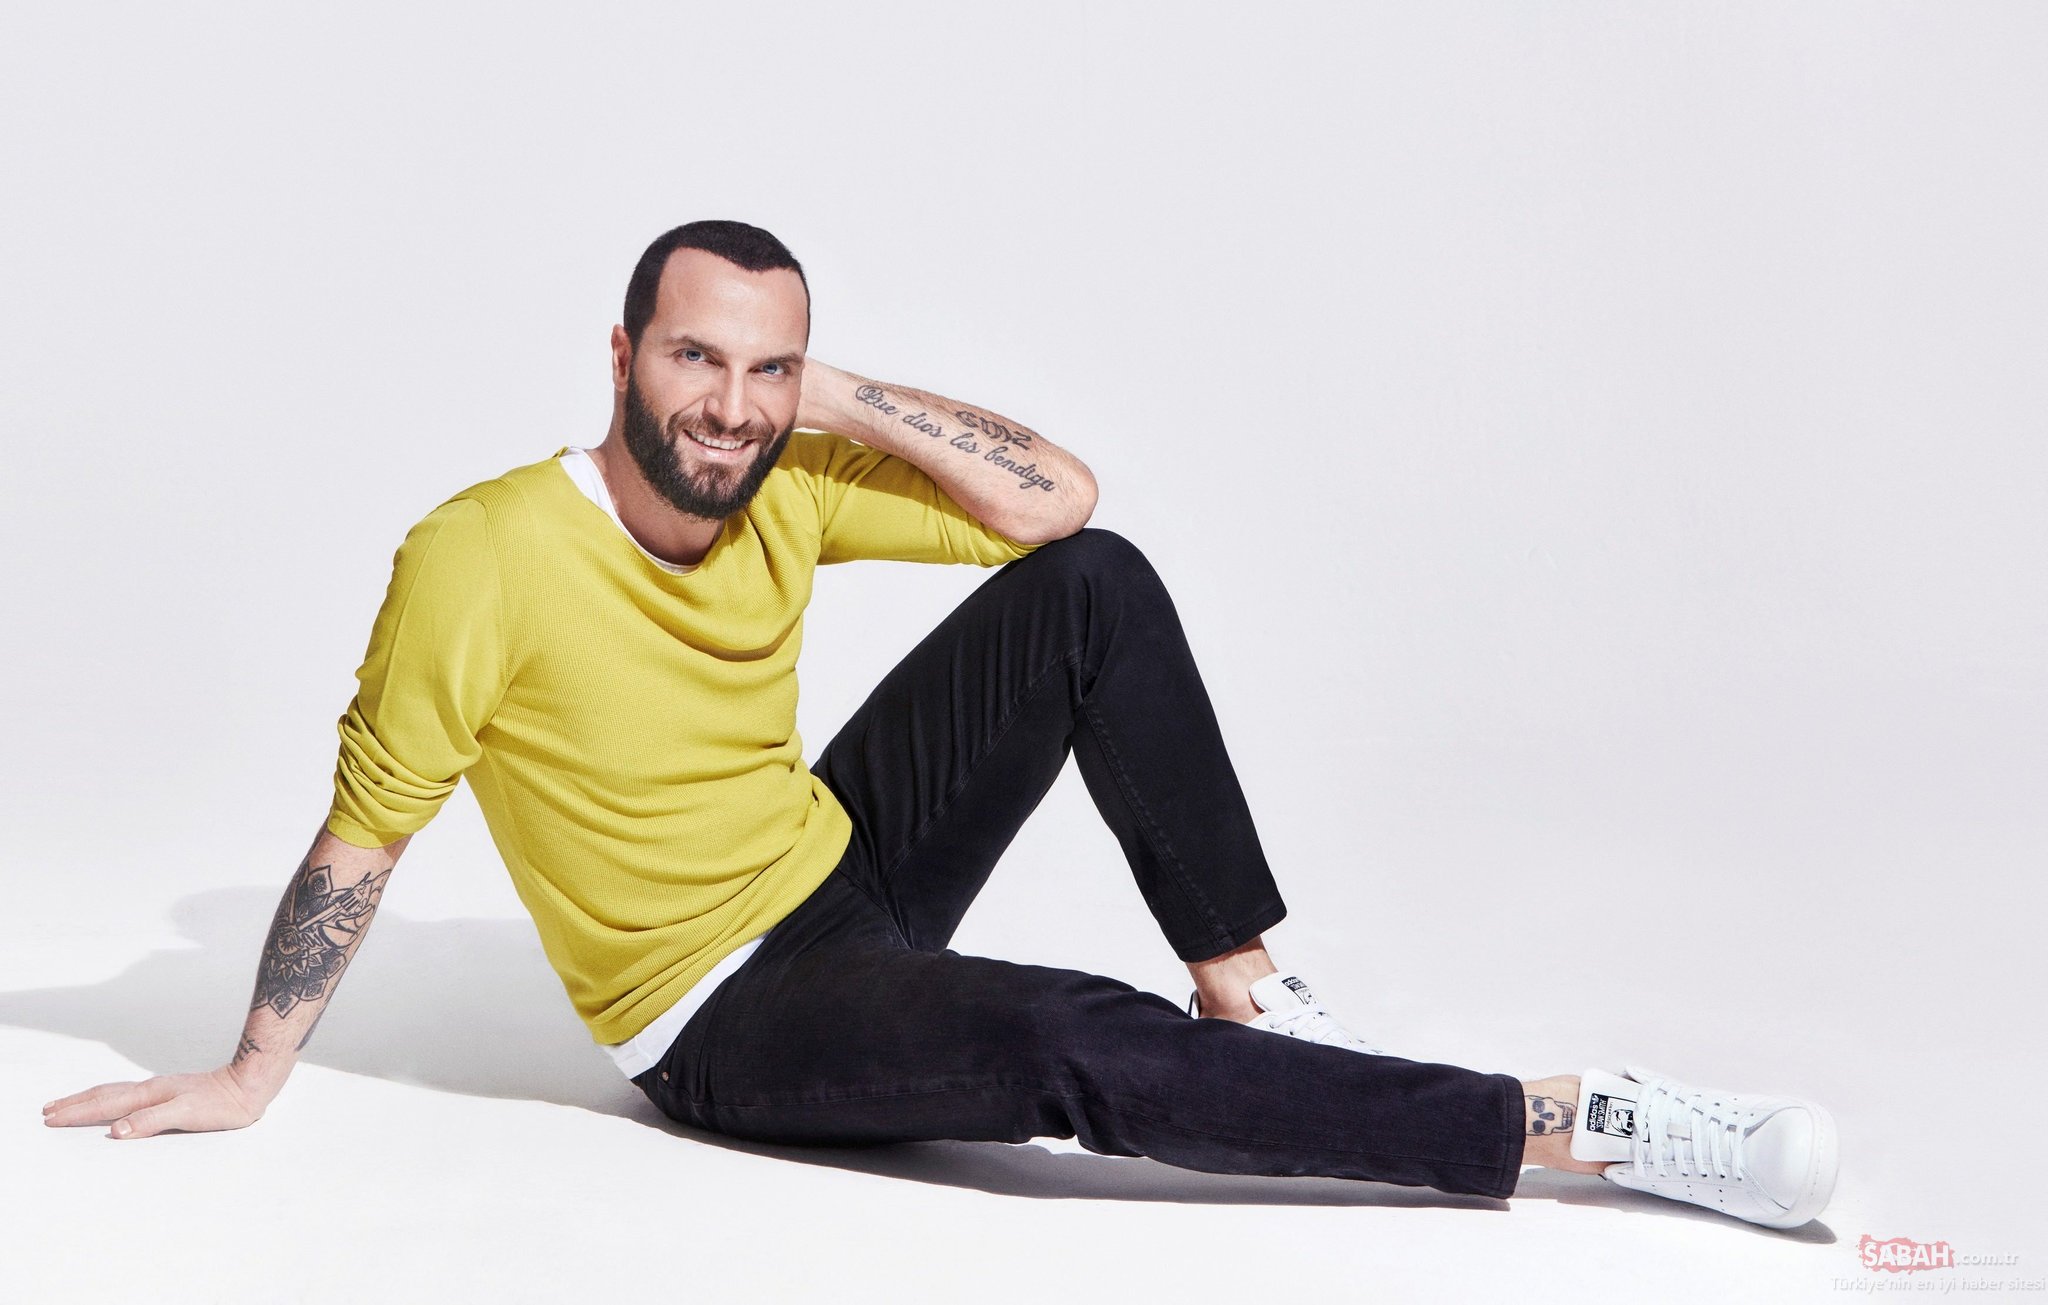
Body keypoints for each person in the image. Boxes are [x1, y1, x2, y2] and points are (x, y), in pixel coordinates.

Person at [42, 219, 1838, 1229]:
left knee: (1093, 586)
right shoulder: (483, 555)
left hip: (844, 864)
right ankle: (1567, 1121)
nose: (727, 406)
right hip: (725, 1010)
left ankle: (1249, 987)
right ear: (620, 354)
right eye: (694, 357)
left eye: (762, 368)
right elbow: (364, 835)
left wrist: (827, 393)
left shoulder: (785, 462)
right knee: (1065, 1038)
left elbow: (1061, 503)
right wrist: (251, 1072)